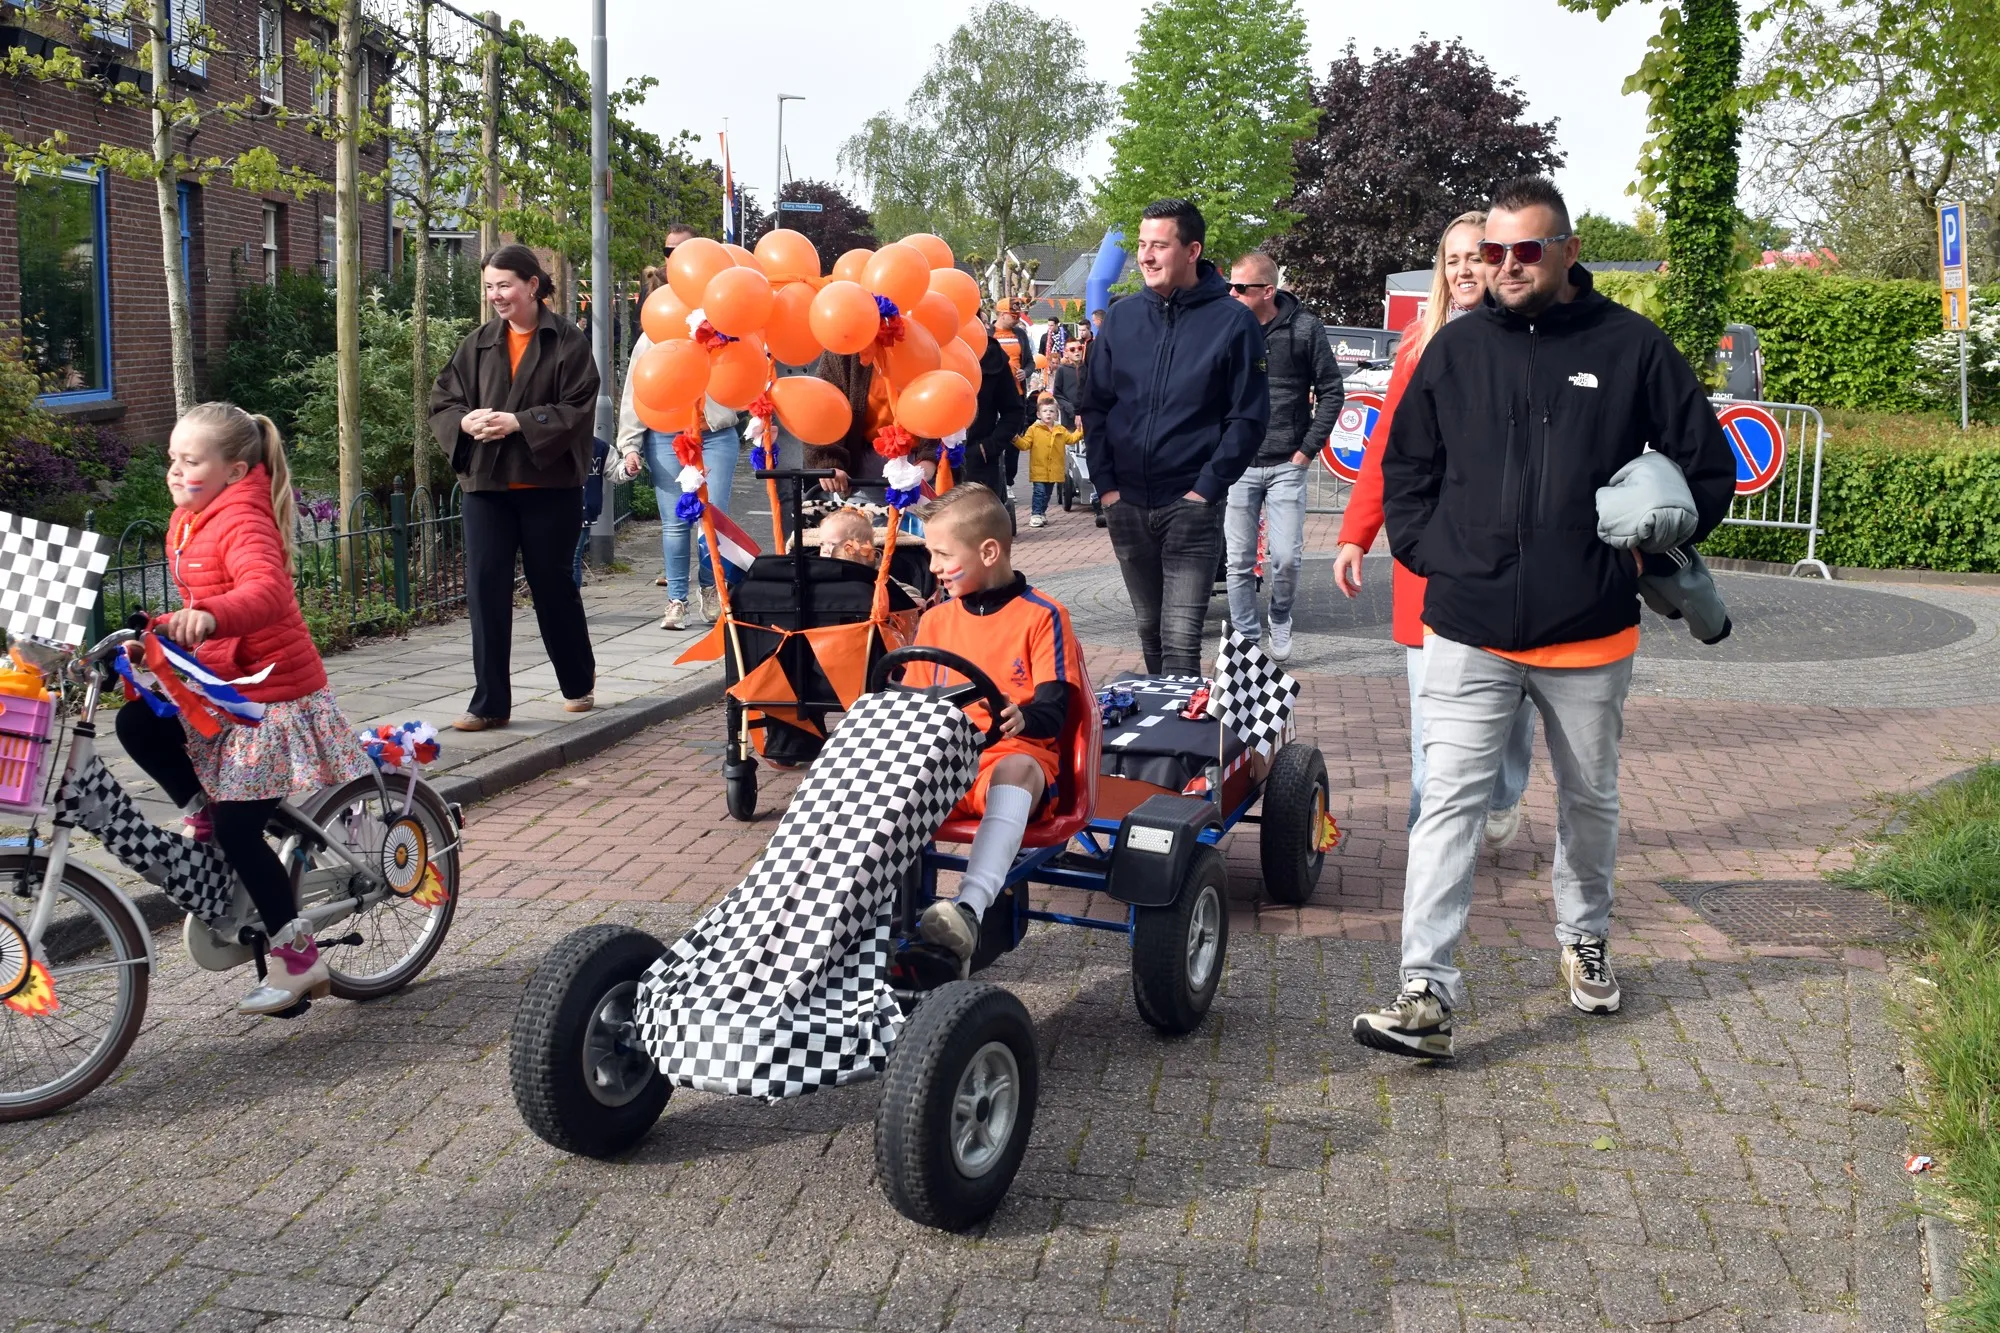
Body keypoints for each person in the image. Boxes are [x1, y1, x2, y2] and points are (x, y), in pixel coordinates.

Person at [1351, 177, 1735, 1059]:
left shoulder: (1632, 346)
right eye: (1494, 251)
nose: (1508, 266)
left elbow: (1708, 465)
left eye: (1527, 250)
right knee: (1446, 803)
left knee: (1590, 801)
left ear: (1567, 251)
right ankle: (1425, 990)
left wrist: (1637, 554)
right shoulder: (1453, 352)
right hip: (1468, 623)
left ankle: (1583, 938)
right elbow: (1405, 465)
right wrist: (1429, 551)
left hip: (1588, 629)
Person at [114, 403, 374, 1016]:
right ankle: (205, 810)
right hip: (226, 683)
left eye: (191, 461)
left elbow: (266, 590)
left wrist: (213, 615)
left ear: (234, 471)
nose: (177, 472)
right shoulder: (192, 517)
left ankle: (299, 960)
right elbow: (200, 604)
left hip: (272, 697)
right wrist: (157, 632)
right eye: (173, 459)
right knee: (136, 722)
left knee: (238, 831)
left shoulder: (243, 518)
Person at [1333, 211, 1540, 846]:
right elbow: (1388, 448)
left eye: (1474, 256)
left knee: (1511, 707)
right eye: (1450, 260)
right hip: (1432, 556)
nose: (1463, 270)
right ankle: (1433, 840)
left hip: (1515, 560)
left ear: (1500, 260)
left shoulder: (1537, 341)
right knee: (1432, 717)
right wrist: (1355, 534)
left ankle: (1503, 794)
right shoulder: (1419, 345)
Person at [1077, 198, 1269, 675]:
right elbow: (1096, 405)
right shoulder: (1120, 318)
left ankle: (1183, 749)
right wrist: (1107, 488)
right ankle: (1161, 740)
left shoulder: (1232, 321)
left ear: (1191, 250)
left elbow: (1247, 417)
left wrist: (1205, 490)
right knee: (1150, 633)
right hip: (1126, 504)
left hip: (1191, 507)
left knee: (1181, 640)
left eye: (1159, 245)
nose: (1145, 256)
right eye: (1142, 245)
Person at [909, 484, 1086, 973]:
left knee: (1018, 766)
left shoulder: (1043, 616)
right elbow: (909, 699)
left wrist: (1024, 716)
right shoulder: (936, 620)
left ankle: (968, 908)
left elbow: (1056, 706)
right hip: (942, 765)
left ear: (989, 551)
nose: (934, 567)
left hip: (1009, 760)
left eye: (943, 554)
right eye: (931, 554)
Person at [430, 244, 599, 730]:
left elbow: (578, 406)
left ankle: (577, 680)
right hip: (487, 485)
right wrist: (466, 424)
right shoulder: (477, 343)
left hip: (549, 485)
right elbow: (443, 402)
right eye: (489, 287)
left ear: (531, 284)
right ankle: (489, 704)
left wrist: (519, 422)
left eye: (503, 285)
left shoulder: (568, 341)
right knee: (485, 589)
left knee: (552, 587)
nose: (495, 296)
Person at [1222, 252, 1344, 662]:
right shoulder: (1226, 326)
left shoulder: (1306, 328)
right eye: (1230, 286)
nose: (1232, 293)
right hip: (1238, 464)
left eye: (1241, 287)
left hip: (1287, 464)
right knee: (1238, 561)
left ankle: (1279, 616)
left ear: (1268, 291)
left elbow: (1332, 392)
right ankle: (1246, 637)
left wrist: (1306, 452)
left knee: (1287, 558)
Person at [616, 331, 745, 631]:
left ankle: (711, 588)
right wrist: (630, 445)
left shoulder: (720, 325)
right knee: (674, 521)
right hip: (665, 433)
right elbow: (637, 389)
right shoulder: (653, 333)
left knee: (712, 516)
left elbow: (741, 372)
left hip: (715, 433)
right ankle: (677, 601)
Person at [963, 327, 1027, 527]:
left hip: (978, 461)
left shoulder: (991, 355)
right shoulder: (928, 348)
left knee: (979, 532)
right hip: (929, 465)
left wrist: (989, 446)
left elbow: (1013, 410)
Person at [1015, 394, 1081, 528]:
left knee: (1047, 494)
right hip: (1039, 468)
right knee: (1039, 492)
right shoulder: (1034, 429)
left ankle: (1042, 513)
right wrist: (1015, 439)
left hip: (1054, 469)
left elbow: (1071, 439)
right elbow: (1025, 444)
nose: (1048, 414)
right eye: (1045, 411)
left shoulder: (1060, 430)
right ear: (1039, 414)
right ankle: (1035, 514)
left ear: (1056, 414)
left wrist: (1082, 430)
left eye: (1051, 411)